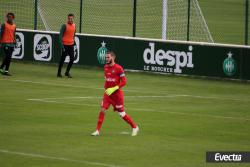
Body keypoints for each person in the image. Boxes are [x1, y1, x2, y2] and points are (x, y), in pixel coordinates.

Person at [91, 51, 139, 136]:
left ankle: (134, 127)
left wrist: (114, 88)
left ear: (113, 58)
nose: (106, 59)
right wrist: (106, 88)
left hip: (117, 95)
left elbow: (124, 82)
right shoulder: (105, 67)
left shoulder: (119, 68)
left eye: (108, 57)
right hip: (108, 94)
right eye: (106, 57)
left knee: (122, 114)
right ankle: (97, 131)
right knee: (102, 109)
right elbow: (107, 79)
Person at [57, 13, 76, 78]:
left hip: (71, 45)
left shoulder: (74, 25)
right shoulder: (64, 26)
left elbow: (73, 34)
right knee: (62, 59)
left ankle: (67, 72)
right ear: (67, 19)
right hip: (65, 45)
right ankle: (59, 73)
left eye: (71, 18)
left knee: (72, 59)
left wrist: (73, 42)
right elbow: (60, 36)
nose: (70, 20)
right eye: (69, 18)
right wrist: (62, 46)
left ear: (73, 19)